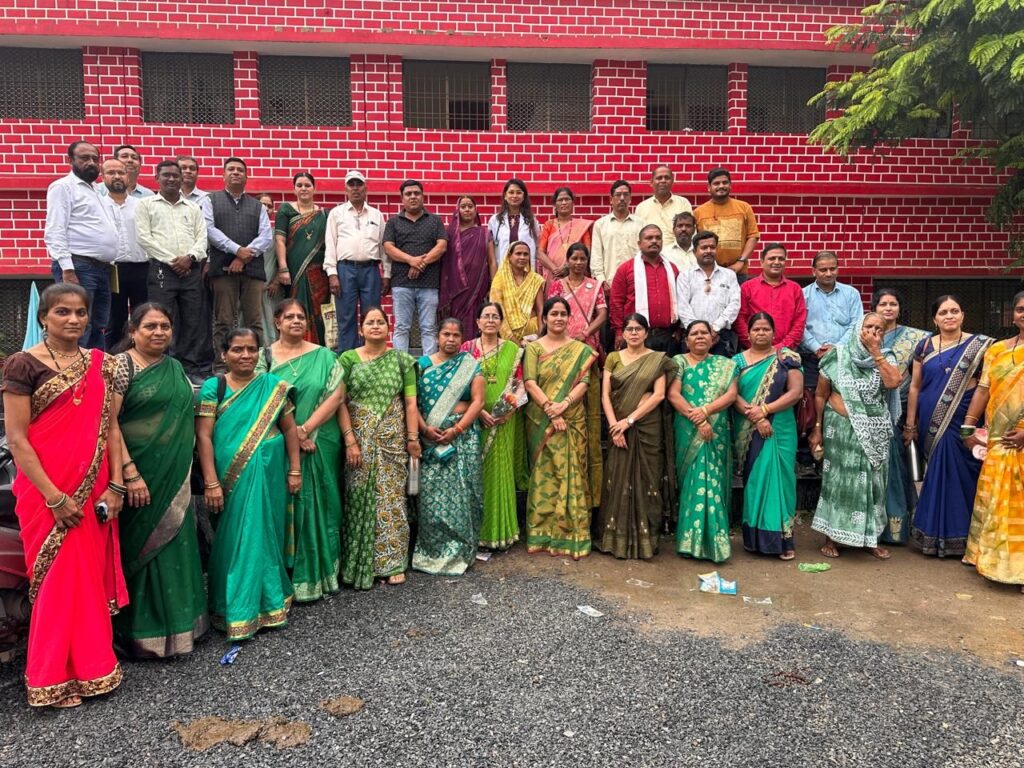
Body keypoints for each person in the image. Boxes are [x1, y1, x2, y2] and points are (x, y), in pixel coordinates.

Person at [1, 283, 128, 707]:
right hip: (46, 493)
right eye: (62, 312)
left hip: (94, 488)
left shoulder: (101, 364)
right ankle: (51, 677)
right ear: (44, 317)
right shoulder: (22, 365)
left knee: (85, 578)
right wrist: (55, 497)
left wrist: (116, 483)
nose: (73, 319)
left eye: (80, 312)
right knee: (56, 582)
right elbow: (17, 439)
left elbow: (110, 428)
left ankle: (92, 668)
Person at [110, 303, 208, 657]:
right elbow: (108, 424)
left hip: (174, 473)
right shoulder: (120, 366)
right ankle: (140, 634)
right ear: (132, 331)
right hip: (139, 474)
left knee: (177, 543)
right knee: (141, 546)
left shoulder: (175, 367)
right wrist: (129, 473)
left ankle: (182, 628)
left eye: (165, 326)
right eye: (150, 326)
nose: (159, 332)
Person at [196, 327, 301, 640]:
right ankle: (234, 609)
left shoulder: (272, 386)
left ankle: (268, 604)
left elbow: (290, 429)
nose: (245, 355)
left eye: (251, 350)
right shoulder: (214, 387)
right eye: (237, 350)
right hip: (229, 478)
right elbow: (203, 436)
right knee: (234, 538)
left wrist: (295, 470)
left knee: (264, 534)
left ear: (259, 353)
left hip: (270, 475)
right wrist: (211, 482)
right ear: (224, 354)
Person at [256, 299, 345, 602]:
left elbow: (336, 397)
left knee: (324, 501)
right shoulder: (264, 357)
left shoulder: (325, 356)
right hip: (280, 441)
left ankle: (320, 572)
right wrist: (292, 434)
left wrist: (305, 429)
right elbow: (261, 398)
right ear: (277, 322)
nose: (296, 321)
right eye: (289, 317)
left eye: (301, 317)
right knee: (282, 502)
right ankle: (286, 574)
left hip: (321, 440)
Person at [337, 308, 420, 588]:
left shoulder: (402, 361)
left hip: (392, 442)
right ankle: (359, 564)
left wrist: (412, 439)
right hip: (358, 442)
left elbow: (410, 402)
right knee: (358, 497)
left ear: (388, 328)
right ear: (361, 330)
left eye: (380, 322)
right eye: (370, 322)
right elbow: (339, 401)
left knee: (392, 500)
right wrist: (350, 440)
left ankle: (392, 561)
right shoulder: (348, 359)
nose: (375, 326)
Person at [809, 313, 902, 559]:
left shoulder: (887, 357)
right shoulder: (837, 356)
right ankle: (831, 537)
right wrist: (817, 427)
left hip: (875, 431)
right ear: (858, 328)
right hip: (840, 429)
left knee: (873, 483)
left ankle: (870, 539)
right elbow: (820, 394)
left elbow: (893, 382)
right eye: (868, 327)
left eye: (879, 329)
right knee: (839, 481)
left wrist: (875, 352)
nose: (873, 332)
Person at [905, 295, 991, 557]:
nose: (949, 316)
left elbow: (987, 386)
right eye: (943, 312)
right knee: (936, 473)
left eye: (954, 311)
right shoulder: (924, 346)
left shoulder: (981, 346)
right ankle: (932, 536)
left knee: (963, 474)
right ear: (935, 319)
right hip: (930, 419)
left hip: (963, 419)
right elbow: (915, 386)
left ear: (963, 315)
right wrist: (910, 423)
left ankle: (963, 537)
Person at [523, 297, 598, 559]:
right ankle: (541, 534)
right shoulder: (534, 348)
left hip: (572, 418)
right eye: (553, 314)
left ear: (569, 318)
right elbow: (530, 382)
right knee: (544, 476)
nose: (558, 318)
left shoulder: (581, 350)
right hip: (540, 420)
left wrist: (563, 405)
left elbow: (584, 383)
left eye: (563, 314)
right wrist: (550, 409)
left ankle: (572, 536)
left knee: (571, 474)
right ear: (544, 318)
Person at [595, 313, 674, 559]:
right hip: (617, 427)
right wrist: (614, 427)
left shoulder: (656, 359)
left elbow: (659, 395)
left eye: (638, 329)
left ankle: (645, 541)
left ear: (646, 333)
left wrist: (628, 421)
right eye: (629, 329)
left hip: (645, 426)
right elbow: (605, 395)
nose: (633, 333)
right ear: (623, 332)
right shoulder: (613, 358)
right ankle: (615, 540)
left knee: (647, 479)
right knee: (617, 478)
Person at [962, 290, 1024, 590]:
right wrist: (968, 426)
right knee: (996, 500)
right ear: (1013, 314)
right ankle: (990, 559)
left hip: (1021, 437)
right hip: (998, 439)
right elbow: (983, 390)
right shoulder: (997, 350)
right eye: (1021, 309)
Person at [413, 318, 486, 575]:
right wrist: (424, 429)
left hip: (462, 440)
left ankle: (461, 552)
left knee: (465, 496)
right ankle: (431, 552)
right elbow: (411, 403)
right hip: (430, 441)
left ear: (462, 338)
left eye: (456, 335)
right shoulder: (421, 365)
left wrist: (456, 430)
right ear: (437, 336)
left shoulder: (470, 365)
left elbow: (478, 402)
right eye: (446, 334)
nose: (451, 339)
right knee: (430, 499)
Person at [732, 313, 804, 559]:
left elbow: (795, 392)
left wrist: (765, 410)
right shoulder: (736, 362)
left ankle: (783, 539)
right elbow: (732, 395)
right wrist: (757, 417)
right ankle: (755, 538)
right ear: (748, 333)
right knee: (755, 479)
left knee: (782, 479)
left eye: (765, 329)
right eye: (756, 329)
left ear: (774, 333)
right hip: (748, 427)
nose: (761, 333)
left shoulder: (787, 358)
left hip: (780, 426)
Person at [668, 320, 738, 563]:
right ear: (686, 339)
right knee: (692, 480)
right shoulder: (678, 362)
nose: (699, 336)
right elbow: (673, 395)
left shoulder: (726, 365)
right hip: (688, 429)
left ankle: (715, 543)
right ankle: (690, 542)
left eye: (704, 333)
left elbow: (731, 395)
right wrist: (698, 420)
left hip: (716, 431)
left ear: (712, 338)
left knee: (714, 481)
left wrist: (706, 411)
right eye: (694, 333)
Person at [135, 160, 209, 385]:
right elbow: (144, 238)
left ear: (181, 179)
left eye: (175, 175)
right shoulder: (146, 205)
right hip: (161, 270)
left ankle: (191, 368)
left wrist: (190, 257)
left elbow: (202, 237)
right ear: (157, 178)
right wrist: (172, 260)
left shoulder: (192, 207)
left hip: (190, 270)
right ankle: (163, 367)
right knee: (163, 318)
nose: (171, 179)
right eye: (166, 175)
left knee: (193, 320)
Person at [461, 303, 526, 550]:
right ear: (477, 322)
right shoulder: (467, 349)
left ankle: (500, 532)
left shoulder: (512, 349)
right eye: (486, 316)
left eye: (495, 316)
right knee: (474, 474)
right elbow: (459, 385)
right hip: (472, 419)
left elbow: (520, 384)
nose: (490, 320)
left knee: (500, 473)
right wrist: (478, 411)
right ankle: (475, 533)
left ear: (501, 322)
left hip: (503, 421)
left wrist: (508, 410)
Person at [547, 241, 608, 499]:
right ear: (568, 260)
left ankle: (591, 487)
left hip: (586, 353)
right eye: (574, 258)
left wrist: (585, 333)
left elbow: (602, 315)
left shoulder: (595, 286)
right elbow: (551, 314)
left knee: (590, 413)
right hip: (561, 354)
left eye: (583, 259)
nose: (579, 263)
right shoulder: (557, 286)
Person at [45, 141, 119, 349]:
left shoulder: (95, 190)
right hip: (78, 267)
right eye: (85, 158)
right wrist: (68, 270)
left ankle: (94, 368)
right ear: (70, 160)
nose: (91, 163)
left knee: (99, 325)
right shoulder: (63, 187)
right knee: (77, 325)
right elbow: (55, 230)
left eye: (95, 159)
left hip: (102, 269)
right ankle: (75, 368)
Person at [796, 251, 863, 475]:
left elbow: (856, 325)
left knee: (838, 404)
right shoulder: (803, 295)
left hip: (843, 359)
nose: (828, 273)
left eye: (832, 268)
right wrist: (817, 347)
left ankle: (833, 457)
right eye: (823, 269)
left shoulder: (851, 294)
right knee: (808, 404)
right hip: (811, 358)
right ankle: (806, 458)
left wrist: (836, 349)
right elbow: (799, 325)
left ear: (838, 269)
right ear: (813, 271)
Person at [873, 288, 931, 544]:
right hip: (869, 410)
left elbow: (919, 379)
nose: (888, 308)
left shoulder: (916, 339)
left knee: (896, 466)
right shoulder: (865, 335)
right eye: (883, 304)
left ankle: (896, 528)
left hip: (900, 409)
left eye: (893, 304)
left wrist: (910, 422)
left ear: (899, 308)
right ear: (875, 309)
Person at [201, 158, 274, 354]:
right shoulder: (210, 200)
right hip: (222, 271)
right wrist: (236, 249)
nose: (235, 172)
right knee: (223, 320)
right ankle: (221, 364)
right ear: (223, 175)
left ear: (246, 177)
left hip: (253, 271)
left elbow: (266, 236)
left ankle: (257, 363)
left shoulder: (257, 206)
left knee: (254, 321)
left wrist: (242, 257)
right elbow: (209, 230)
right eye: (231, 169)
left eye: (240, 170)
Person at [324, 170, 388, 353]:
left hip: (371, 270)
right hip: (345, 270)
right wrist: (332, 274)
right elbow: (330, 244)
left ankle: (371, 356)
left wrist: (387, 274)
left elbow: (384, 247)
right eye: (351, 185)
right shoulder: (336, 213)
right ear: (345, 189)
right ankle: (347, 358)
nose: (355, 188)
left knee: (372, 316)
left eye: (359, 184)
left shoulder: (376, 215)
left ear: (365, 188)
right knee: (346, 317)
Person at [383, 180, 448, 355]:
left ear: (422, 196)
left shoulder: (434, 221)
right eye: (408, 194)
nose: (413, 197)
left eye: (416, 193)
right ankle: (401, 364)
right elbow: (388, 247)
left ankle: (430, 365)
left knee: (429, 327)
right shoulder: (393, 222)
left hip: (429, 284)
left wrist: (420, 264)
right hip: (401, 283)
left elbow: (442, 246)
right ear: (402, 198)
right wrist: (410, 260)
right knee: (401, 327)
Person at [270, 173, 329, 345]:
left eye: (307, 185)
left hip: (319, 273)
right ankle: (295, 345)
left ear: (314, 189)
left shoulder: (324, 214)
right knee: (295, 307)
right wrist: (283, 268)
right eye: (299, 185)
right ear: (294, 189)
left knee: (318, 312)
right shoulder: (286, 210)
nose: (303, 189)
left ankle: (317, 348)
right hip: (294, 270)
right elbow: (279, 240)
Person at [609, 224, 680, 353]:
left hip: (667, 336)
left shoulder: (672, 268)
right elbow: (616, 303)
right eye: (649, 238)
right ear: (639, 243)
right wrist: (619, 331)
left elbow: (680, 300)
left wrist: (678, 329)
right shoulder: (626, 269)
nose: (654, 241)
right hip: (635, 336)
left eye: (658, 238)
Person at [102, 159, 150, 350]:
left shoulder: (142, 205)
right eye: (111, 173)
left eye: (121, 173)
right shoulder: (98, 205)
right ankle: (113, 358)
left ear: (127, 176)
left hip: (141, 267)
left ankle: (142, 355)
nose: (117, 177)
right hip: (112, 268)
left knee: (143, 317)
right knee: (114, 319)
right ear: (103, 177)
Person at [675, 230, 741, 357]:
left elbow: (734, 304)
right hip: (692, 337)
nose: (708, 251)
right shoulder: (685, 276)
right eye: (704, 247)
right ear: (695, 251)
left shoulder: (729, 275)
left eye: (712, 247)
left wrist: (715, 328)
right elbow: (682, 307)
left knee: (721, 369)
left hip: (721, 337)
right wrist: (700, 332)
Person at [735, 243, 807, 350]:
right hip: (752, 351)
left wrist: (781, 347)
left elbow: (799, 323)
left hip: (786, 351)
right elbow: (740, 320)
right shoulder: (747, 287)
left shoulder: (795, 289)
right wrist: (756, 345)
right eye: (772, 258)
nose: (777, 262)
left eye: (781, 259)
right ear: (762, 262)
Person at [439, 195, 490, 337]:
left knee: (475, 319)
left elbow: (492, 261)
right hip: (455, 288)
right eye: (463, 207)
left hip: (477, 285)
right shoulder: (449, 234)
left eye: (470, 206)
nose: (467, 209)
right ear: (457, 210)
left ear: (475, 210)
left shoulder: (485, 233)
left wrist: (493, 285)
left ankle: (472, 349)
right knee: (455, 322)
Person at [693, 167, 759, 276]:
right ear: (709, 187)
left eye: (725, 182)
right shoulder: (698, 212)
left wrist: (741, 261)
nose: (721, 186)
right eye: (716, 183)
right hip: (709, 272)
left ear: (730, 185)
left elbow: (753, 236)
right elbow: (695, 243)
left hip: (738, 271)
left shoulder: (744, 208)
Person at [490, 240, 546, 346]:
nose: (522, 257)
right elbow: (496, 310)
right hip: (506, 334)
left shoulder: (535, 279)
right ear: (509, 256)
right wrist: (513, 340)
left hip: (532, 334)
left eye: (526, 254)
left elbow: (540, 310)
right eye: (518, 254)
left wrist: (540, 336)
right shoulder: (499, 280)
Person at [590, 179, 642, 287]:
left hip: (636, 282)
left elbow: (644, 254)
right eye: (618, 195)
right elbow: (596, 256)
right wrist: (601, 281)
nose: (622, 198)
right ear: (611, 199)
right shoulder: (600, 225)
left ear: (630, 199)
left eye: (626, 195)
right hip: (610, 283)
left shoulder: (641, 224)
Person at [536, 186, 593, 281]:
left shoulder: (582, 226)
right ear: (555, 205)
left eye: (567, 199)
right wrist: (555, 269)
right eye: (560, 200)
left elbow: (587, 251)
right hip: (553, 275)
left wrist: (568, 266)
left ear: (573, 203)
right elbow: (540, 253)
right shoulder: (549, 225)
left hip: (575, 274)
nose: (564, 202)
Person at [487, 178, 539, 274]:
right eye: (511, 192)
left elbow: (537, 247)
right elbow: (491, 253)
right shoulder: (495, 220)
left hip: (526, 272)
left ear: (524, 196)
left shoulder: (531, 220)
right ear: (505, 196)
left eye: (518, 193)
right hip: (502, 272)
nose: (515, 196)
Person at [635, 165, 692, 246]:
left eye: (667, 178)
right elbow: (638, 236)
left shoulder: (683, 203)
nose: (663, 181)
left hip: (677, 251)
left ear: (672, 181)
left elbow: (691, 232)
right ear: (651, 182)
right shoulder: (642, 208)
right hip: (651, 252)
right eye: (659, 178)